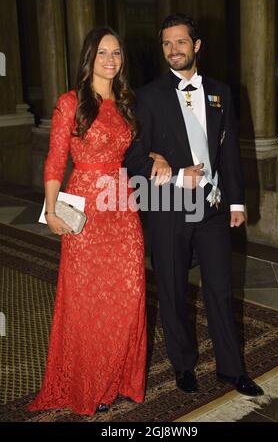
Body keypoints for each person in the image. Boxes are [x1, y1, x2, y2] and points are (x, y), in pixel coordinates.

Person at [28, 27, 169, 416]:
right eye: (103, 52)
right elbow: (56, 161)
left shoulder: (126, 101)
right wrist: (52, 211)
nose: (111, 59)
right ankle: (92, 384)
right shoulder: (70, 103)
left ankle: (119, 378)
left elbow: (135, 149)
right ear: (89, 57)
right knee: (89, 301)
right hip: (86, 208)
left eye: (117, 53)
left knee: (127, 295)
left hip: (122, 207)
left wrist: (156, 156)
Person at [125, 13, 264, 397]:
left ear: (196, 45)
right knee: (172, 289)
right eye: (167, 44)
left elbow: (230, 152)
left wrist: (237, 201)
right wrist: (163, 166)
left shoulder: (221, 91)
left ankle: (231, 369)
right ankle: (184, 366)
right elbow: (132, 158)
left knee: (220, 288)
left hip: (215, 207)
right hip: (169, 208)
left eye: (181, 42)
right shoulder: (148, 96)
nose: (174, 50)